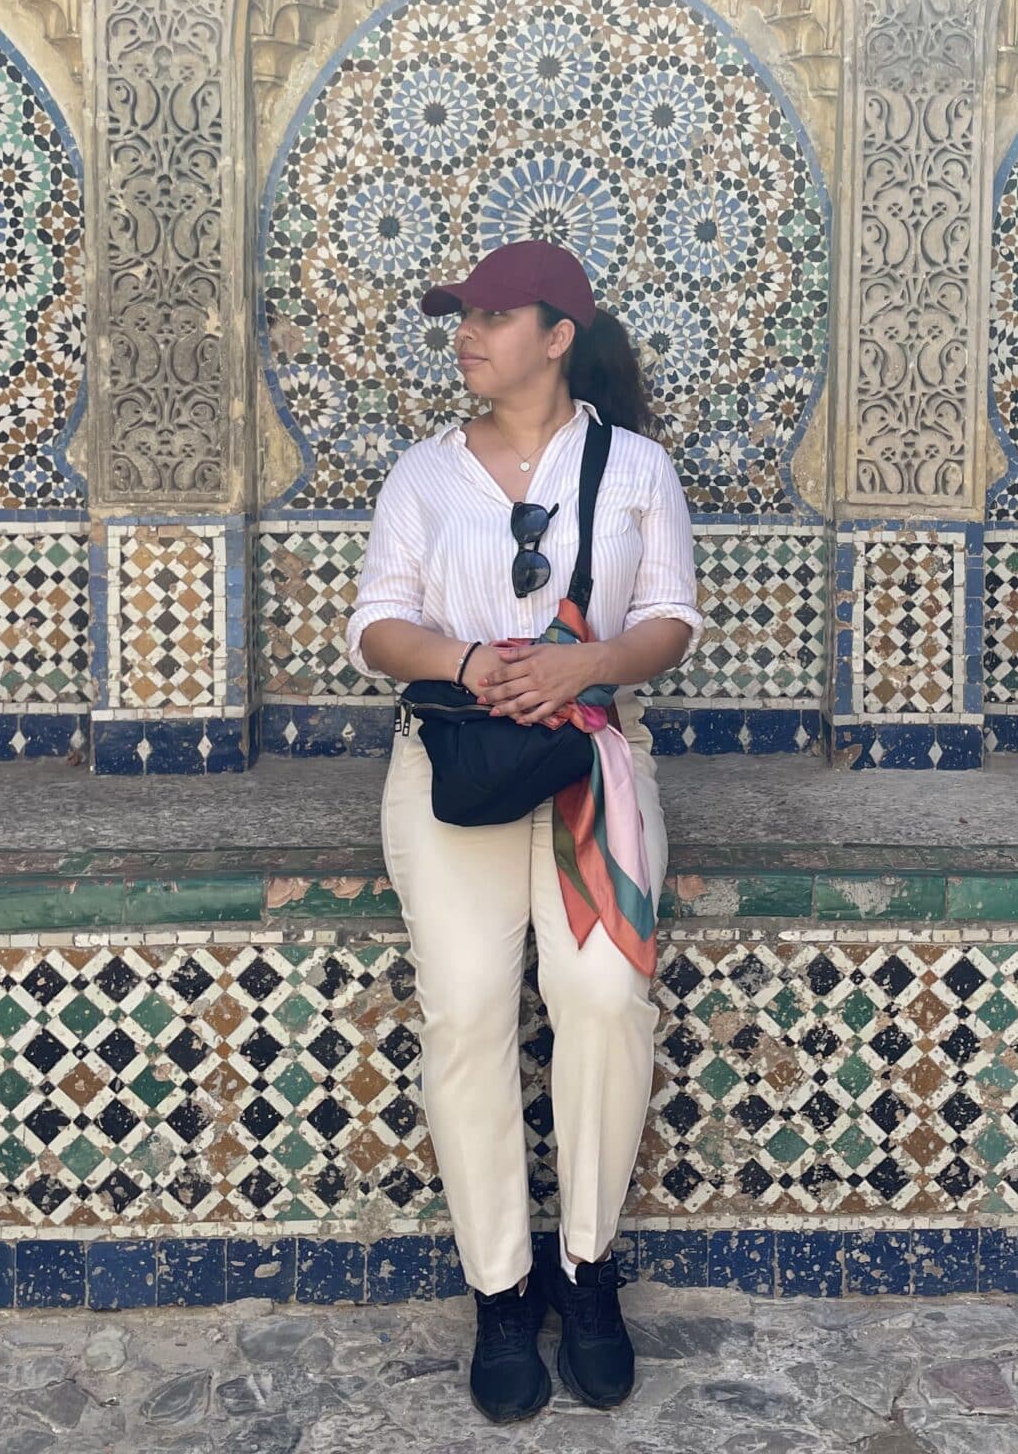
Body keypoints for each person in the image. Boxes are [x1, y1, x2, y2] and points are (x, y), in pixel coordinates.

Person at [346, 238, 701, 1423]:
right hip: (455, 763)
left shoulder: (636, 466)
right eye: (462, 316)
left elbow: (670, 619)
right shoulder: (423, 473)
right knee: (466, 1012)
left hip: (591, 759)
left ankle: (585, 1270)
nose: (467, 333)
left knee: (602, 998)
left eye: (493, 317)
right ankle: (502, 1289)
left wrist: (582, 665)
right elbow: (376, 625)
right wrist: (470, 663)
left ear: (557, 337)